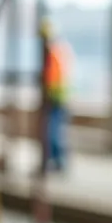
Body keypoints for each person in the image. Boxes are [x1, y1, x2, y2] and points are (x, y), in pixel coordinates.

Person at [39, 17, 73, 172]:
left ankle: (59, 163)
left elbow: (51, 79)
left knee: (53, 133)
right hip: (59, 98)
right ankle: (58, 162)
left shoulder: (53, 53)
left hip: (56, 99)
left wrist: (47, 93)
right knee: (56, 131)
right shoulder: (60, 49)